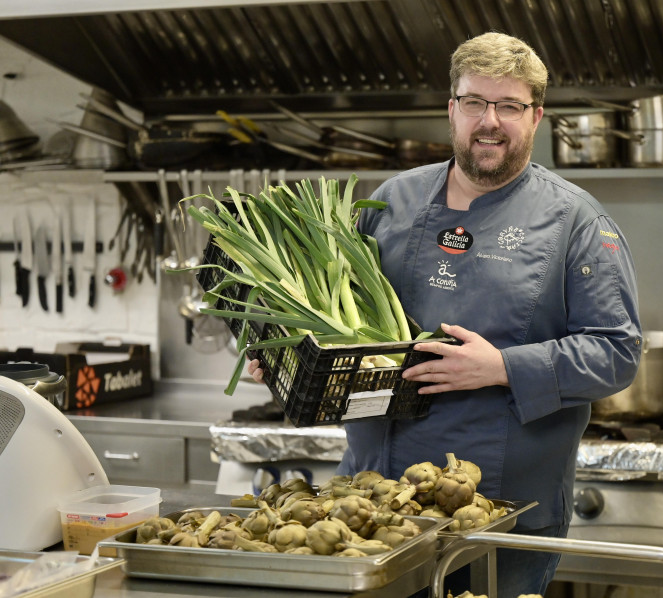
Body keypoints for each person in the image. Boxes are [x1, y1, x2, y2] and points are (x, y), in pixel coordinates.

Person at [248, 31, 642, 597]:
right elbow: (343, 325)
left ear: (536, 117)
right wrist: (288, 355)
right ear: (452, 110)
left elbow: (618, 352)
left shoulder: (577, 220)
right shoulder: (392, 201)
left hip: (501, 514)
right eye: (477, 102)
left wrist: (503, 366)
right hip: (371, 506)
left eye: (510, 106)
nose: (491, 121)